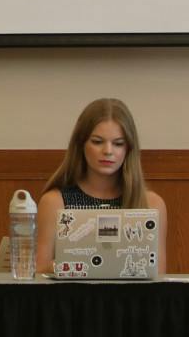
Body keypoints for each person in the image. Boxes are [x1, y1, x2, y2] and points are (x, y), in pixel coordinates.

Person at [34, 98, 168, 274]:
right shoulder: (55, 202)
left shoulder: (151, 204)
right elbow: (38, 272)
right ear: (81, 145)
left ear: (129, 149)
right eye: (97, 142)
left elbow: (157, 275)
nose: (108, 151)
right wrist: (74, 264)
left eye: (118, 143)